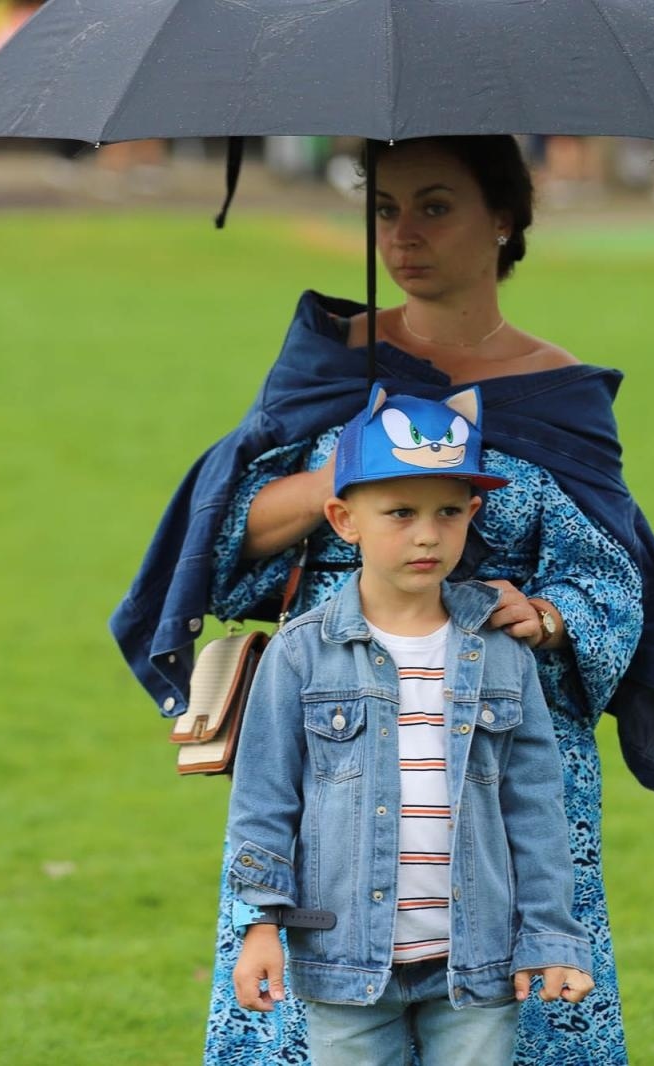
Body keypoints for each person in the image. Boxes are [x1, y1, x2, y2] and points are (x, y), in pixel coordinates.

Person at [110, 134, 654, 1065]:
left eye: (434, 207)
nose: (402, 235)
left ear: (505, 221)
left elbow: (612, 576)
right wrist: (349, 464)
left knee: (511, 1016)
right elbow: (226, 536)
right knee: (320, 1009)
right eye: (385, 209)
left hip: (504, 745)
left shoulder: (558, 394)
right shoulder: (332, 365)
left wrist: (550, 616)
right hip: (333, 731)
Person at [226, 385, 594, 1065]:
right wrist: (260, 925)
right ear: (343, 519)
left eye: (448, 511)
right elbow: (264, 800)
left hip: (477, 964)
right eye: (399, 512)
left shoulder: (501, 653)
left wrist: (550, 937)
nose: (427, 533)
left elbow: (537, 807)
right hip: (343, 961)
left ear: (472, 513)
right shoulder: (302, 652)